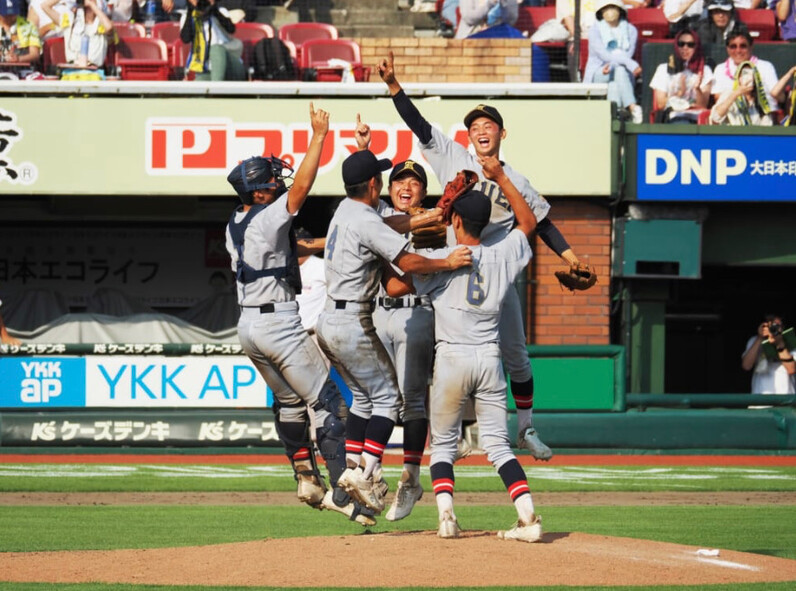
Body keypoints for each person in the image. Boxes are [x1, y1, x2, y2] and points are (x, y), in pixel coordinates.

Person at [380, 50, 591, 463]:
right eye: (474, 125)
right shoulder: (455, 158)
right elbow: (420, 127)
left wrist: (570, 256)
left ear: (501, 133)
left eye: (487, 125)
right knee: (448, 351)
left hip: (497, 271)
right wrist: (394, 88)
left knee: (515, 354)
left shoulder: (518, 180)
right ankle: (452, 436)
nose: (480, 130)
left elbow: (542, 225)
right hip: (454, 265)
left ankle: (527, 427)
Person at [224, 103, 376, 528]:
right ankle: (345, 493)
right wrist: (319, 137)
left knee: (289, 403)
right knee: (327, 404)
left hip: (248, 327)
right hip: (279, 324)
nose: (277, 182)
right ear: (256, 191)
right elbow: (302, 188)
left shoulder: (234, 221)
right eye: (269, 180)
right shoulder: (267, 216)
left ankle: (305, 475)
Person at [384, 155, 543, 543]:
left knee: (441, 445)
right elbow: (528, 223)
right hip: (489, 358)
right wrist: (502, 176)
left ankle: (447, 517)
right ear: (485, 223)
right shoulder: (504, 253)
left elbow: (392, 287)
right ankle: (528, 519)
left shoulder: (444, 260)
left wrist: (424, 246)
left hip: (452, 358)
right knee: (498, 447)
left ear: (455, 221)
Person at [315, 148, 473, 515]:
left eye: (413, 181)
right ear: (374, 185)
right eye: (390, 178)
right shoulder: (370, 218)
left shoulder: (345, 208)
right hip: (356, 319)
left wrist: (427, 218)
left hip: (329, 319)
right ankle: (365, 474)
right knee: (390, 399)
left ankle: (354, 472)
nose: (395, 184)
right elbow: (407, 263)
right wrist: (446, 262)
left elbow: (388, 226)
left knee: (365, 399)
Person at [584, 0, 642, 122]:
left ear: (620, 11)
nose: (610, 11)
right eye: (606, 8)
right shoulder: (594, 30)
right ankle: (632, 107)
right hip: (599, 71)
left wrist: (613, 66)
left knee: (614, 84)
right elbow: (603, 55)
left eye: (613, 7)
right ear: (601, 12)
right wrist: (631, 64)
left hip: (621, 72)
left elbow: (628, 54)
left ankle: (614, 118)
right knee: (619, 69)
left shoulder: (631, 30)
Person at [649, 29, 714, 123]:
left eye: (690, 45)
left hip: (695, 119)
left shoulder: (705, 70)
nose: (685, 48)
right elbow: (661, 104)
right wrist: (680, 93)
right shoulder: (663, 69)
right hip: (671, 117)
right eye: (681, 44)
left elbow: (702, 105)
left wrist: (697, 89)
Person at [711, 29, 781, 107]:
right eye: (733, 46)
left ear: (751, 47)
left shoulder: (765, 66)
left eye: (743, 46)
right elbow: (718, 99)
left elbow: (775, 96)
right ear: (727, 49)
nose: (738, 50)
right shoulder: (720, 69)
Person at [179, 0, 246, 81]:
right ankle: (215, 89)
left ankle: (216, 90)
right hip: (206, 69)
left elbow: (231, 29)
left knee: (216, 49)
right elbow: (185, 39)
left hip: (231, 67)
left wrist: (213, 9)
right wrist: (191, 11)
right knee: (199, 86)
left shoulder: (221, 11)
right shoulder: (187, 17)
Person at [41, 0, 113, 68]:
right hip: (73, 70)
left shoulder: (102, 23)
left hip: (94, 71)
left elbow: (109, 27)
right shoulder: (71, 20)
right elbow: (45, 6)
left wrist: (92, 5)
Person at [741, 315, 796, 395]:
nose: (773, 328)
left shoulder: (791, 342)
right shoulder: (754, 341)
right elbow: (746, 366)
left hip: (786, 398)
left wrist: (780, 344)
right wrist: (760, 338)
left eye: (777, 325)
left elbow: (792, 369)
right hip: (760, 400)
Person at [710, 59, 776, 124]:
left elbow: (767, 125)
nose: (748, 78)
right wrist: (736, 94)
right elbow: (715, 117)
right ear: (739, 78)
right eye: (744, 74)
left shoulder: (762, 100)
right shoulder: (729, 94)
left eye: (751, 75)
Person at [0, 0, 42, 77]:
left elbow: (35, 54)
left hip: (23, 70)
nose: (9, 17)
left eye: (12, 14)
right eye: (5, 15)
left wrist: (18, 59)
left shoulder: (29, 26)